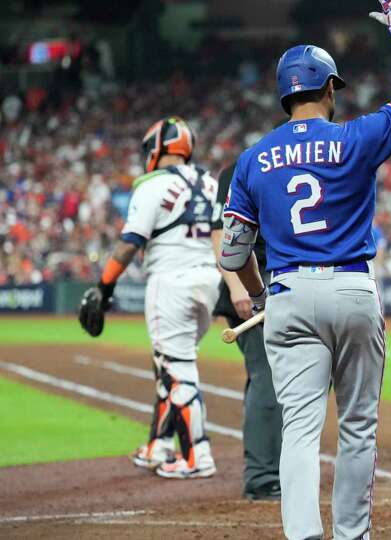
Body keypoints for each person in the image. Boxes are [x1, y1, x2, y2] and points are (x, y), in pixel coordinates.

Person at [218, 1, 391, 538]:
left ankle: (302, 533)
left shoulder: (252, 158)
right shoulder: (355, 138)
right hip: (352, 289)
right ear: (329, 89)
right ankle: (352, 534)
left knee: (299, 429)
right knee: (358, 429)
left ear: (284, 92)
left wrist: (260, 293)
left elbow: (232, 254)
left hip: (289, 294)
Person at [78, 116, 220, 480]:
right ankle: (160, 444)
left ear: (157, 149)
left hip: (170, 280)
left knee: (176, 368)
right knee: (168, 365)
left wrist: (104, 285)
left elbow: (130, 244)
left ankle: (197, 455)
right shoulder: (209, 181)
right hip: (209, 279)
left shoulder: (152, 185)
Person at [211, 160, 283, 501]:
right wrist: (237, 286)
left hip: (283, 280)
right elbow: (221, 230)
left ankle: (275, 466)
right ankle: (262, 477)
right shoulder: (243, 165)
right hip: (253, 281)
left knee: (281, 379)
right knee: (268, 376)